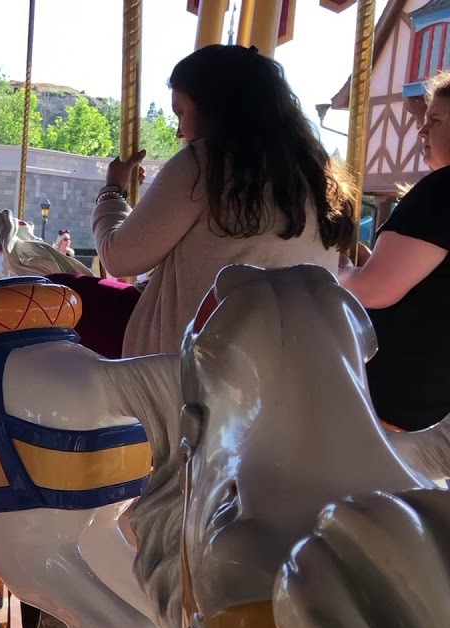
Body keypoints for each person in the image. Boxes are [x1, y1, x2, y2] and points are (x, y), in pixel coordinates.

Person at [92, 44, 355, 357]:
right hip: (284, 363)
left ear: (211, 108)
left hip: (192, 366)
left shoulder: (205, 164)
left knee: (57, 296)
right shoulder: (317, 175)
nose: (179, 131)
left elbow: (119, 257)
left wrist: (113, 190)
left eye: (181, 113)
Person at [339, 69, 450, 431]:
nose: (422, 131)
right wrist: (353, 252)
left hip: (401, 401)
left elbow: (374, 291)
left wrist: (330, 268)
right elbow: (412, 284)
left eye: (434, 121)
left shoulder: (440, 191)